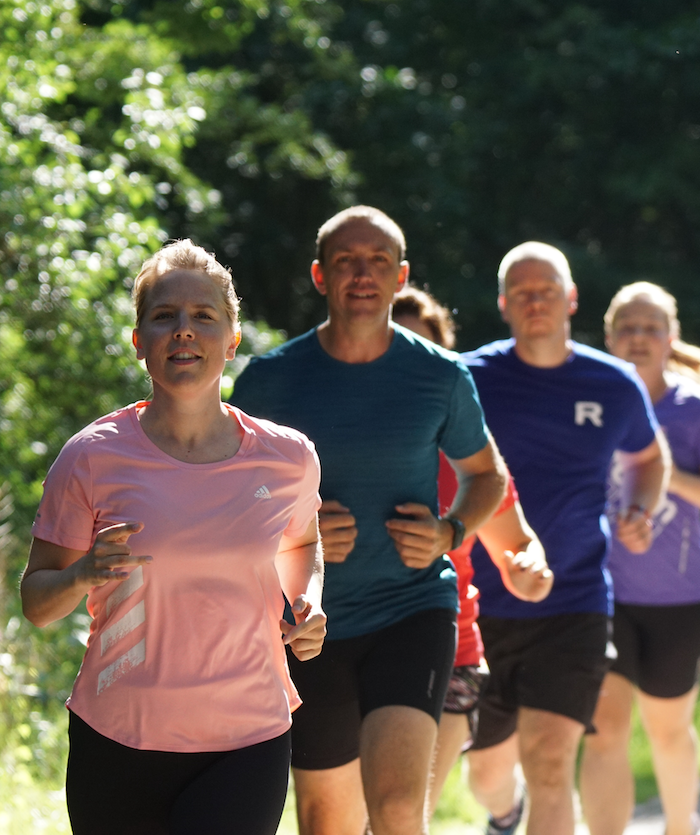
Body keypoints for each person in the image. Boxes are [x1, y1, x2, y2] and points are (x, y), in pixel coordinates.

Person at [20, 239, 327, 835]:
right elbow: (36, 603)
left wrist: (309, 599)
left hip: (248, 735)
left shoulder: (287, 458)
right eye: (164, 316)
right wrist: (82, 574)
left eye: (203, 317)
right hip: (119, 736)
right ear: (140, 342)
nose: (184, 330)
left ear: (232, 340)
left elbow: (300, 543)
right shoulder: (91, 457)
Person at [231, 206, 508, 835]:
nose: (363, 273)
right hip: (308, 624)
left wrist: (450, 533)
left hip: (411, 609)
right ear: (320, 275)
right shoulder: (270, 381)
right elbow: (219, 500)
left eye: (378, 260)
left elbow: (487, 476)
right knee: (325, 822)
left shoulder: (439, 377)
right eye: (346, 261)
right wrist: (292, 538)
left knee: (396, 808)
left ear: (400, 274)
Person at [460, 242, 670, 835]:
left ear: (571, 298)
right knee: (486, 773)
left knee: (550, 761)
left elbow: (649, 460)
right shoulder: (469, 379)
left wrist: (638, 507)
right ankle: (505, 811)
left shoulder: (612, 383)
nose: (535, 302)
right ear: (503, 304)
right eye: (521, 292)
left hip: (575, 601)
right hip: (482, 607)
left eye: (546, 290)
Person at [391, 286, 553, 814]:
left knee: (402, 814)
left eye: (424, 348)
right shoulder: (320, 441)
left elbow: (518, 546)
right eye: (394, 345)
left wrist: (529, 568)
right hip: (350, 646)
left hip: (451, 651)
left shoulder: (468, 450)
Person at [580, 282, 700, 835]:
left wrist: (661, 472)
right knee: (604, 726)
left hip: (679, 596)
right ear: (609, 337)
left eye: (652, 327)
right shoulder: (589, 401)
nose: (639, 338)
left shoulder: (692, 407)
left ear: (670, 337)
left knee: (669, 728)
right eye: (627, 327)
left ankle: (680, 828)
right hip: (601, 592)